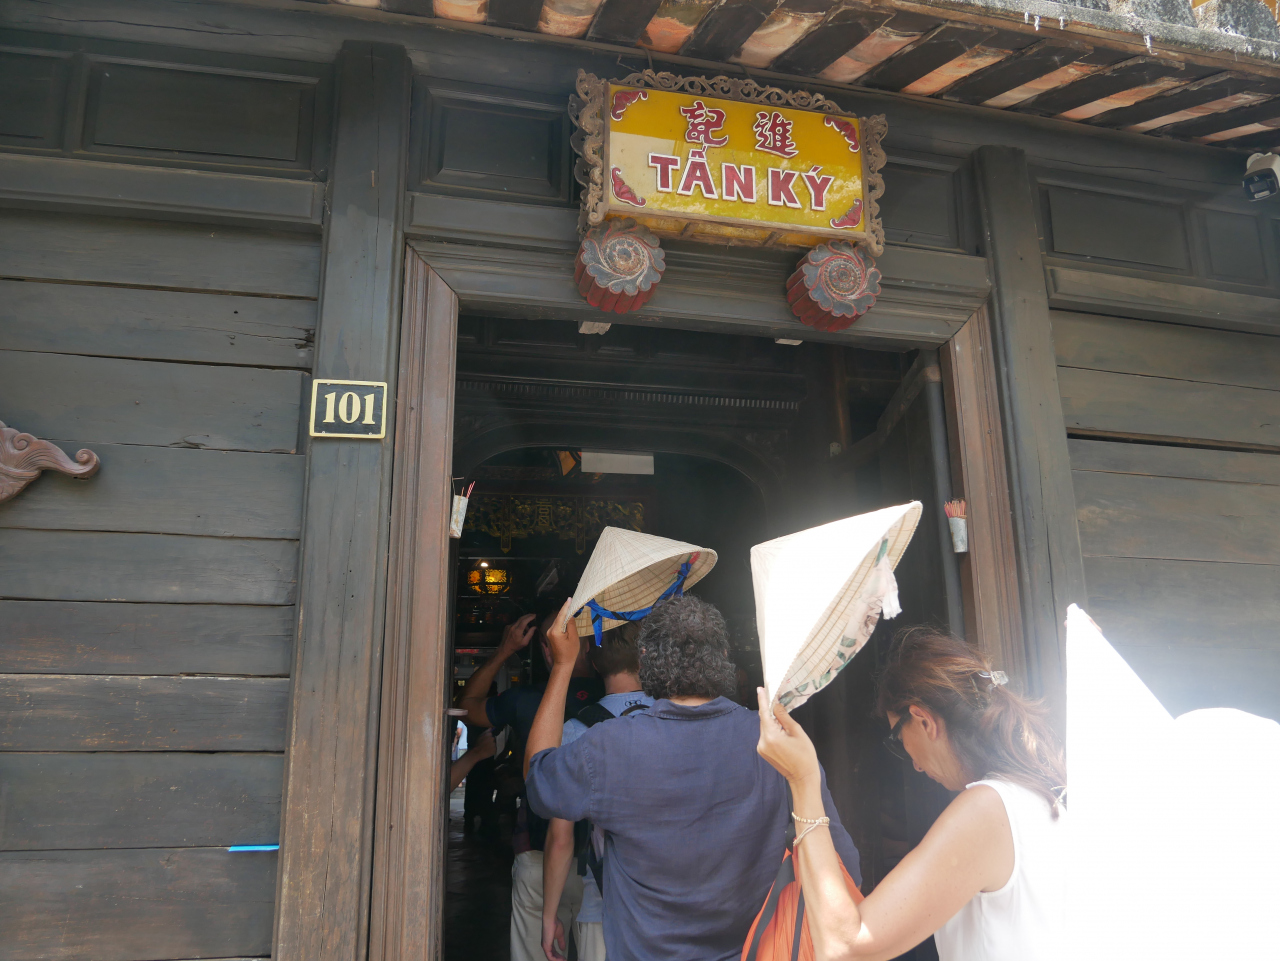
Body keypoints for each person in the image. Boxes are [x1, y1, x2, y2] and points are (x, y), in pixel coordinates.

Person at [525, 594, 861, 961]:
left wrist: (562, 665)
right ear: (724, 658)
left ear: (645, 661)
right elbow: (842, 866)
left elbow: (537, 781)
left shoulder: (610, 746)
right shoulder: (778, 744)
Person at [755, 627, 1067, 961]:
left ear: (922, 720)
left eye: (898, 739)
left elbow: (844, 946)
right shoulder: (1039, 790)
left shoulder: (989, 808)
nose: (915, 765)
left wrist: (803, 780)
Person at [459, 597, 605, 961]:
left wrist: (504, 650)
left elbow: (467, 705)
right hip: (605, 862)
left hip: (540, 854)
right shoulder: (617, 697)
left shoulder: (525, 699)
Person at [541, 624, 654, 961]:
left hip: (603, 901)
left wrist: (549, 915)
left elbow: (561, 838)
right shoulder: (678, 717)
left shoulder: (577, 731)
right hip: (673, 905)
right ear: (646, 658)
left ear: (591, 661)